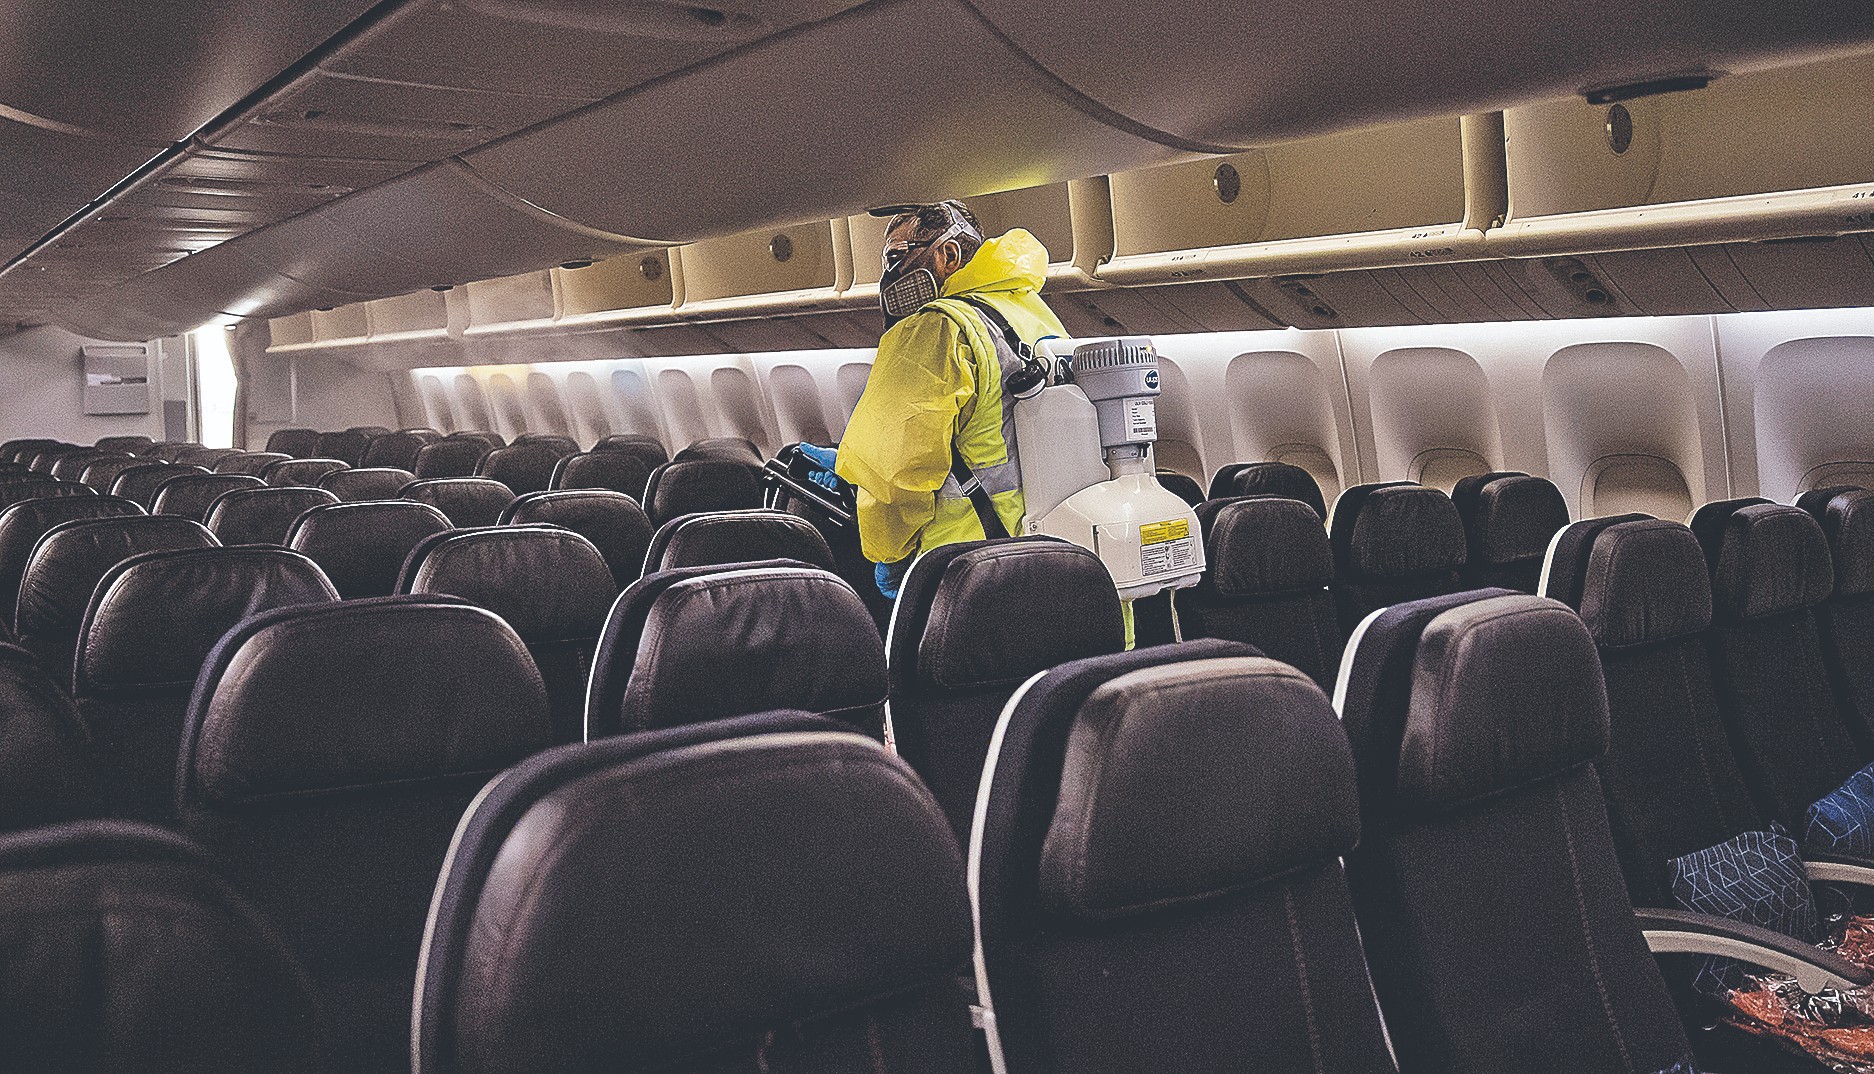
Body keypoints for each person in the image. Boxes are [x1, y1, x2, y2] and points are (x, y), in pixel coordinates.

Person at [797, 201, 1066, 598]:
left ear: (948, 254)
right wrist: (850, 467)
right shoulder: (1033, 314)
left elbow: (895, 475)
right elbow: (993, 434)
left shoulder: (936, 328)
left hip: (970, 576)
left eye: (896, 257)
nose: (889, 275)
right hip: (1058, 560)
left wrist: (889, 555)